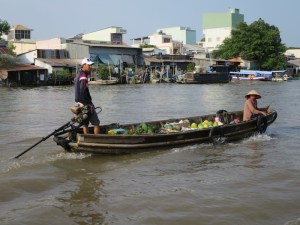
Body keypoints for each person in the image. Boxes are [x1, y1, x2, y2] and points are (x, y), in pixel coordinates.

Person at [74, 58, 100, 134]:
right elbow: (83, 91)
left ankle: (86, 139)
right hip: (85, 104)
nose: (90, 67)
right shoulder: (83, 77)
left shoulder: (79, 75)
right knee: (96, 123)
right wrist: (89, 104)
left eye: (91, 65)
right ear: (84, 65)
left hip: (79, 103)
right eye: (89, 65)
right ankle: (97, 141)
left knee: (85, 124)